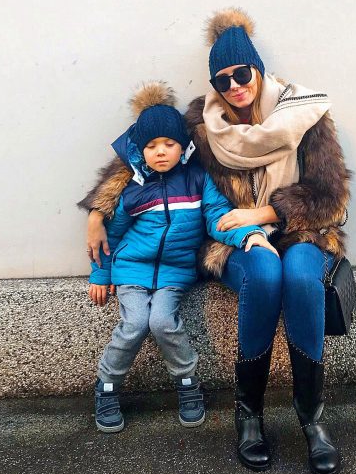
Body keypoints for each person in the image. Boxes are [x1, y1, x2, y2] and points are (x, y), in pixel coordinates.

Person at [84, 13, 352, 474]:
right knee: (265, 274)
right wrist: (97, 211)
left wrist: (264, 215)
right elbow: (140, 155)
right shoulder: (201, 121)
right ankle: (249, 416)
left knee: (299, 276)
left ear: (257, 70)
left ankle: (312, 419)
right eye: (222, 80)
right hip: (230, 239)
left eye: (241, 74)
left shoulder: (304, 114)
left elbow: (332, 198)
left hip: (300, 231)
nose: (234, 87)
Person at [79, 81, 272, 434]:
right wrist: (100, 275)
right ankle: (106, 386)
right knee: (134, 324)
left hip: (174, 272)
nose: (161, 152)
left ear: (183, 146)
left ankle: (187, 383)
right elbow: (111, 236)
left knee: (162, 323)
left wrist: (249, 235)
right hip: (131, 270)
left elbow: (217, 217)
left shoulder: (197, 180)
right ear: (141, 151)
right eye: (152, 146)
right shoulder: (134, 189)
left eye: (169, 144)